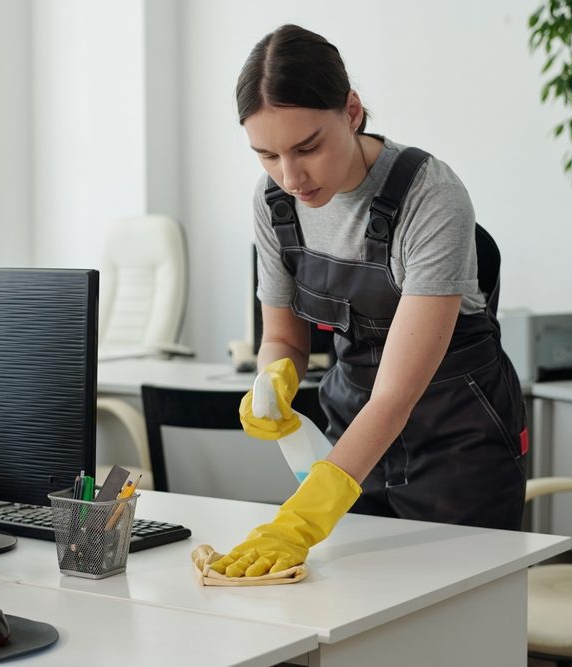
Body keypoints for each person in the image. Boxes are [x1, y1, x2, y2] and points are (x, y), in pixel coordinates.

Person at [210, 24, 527, 579]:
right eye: (266, 154)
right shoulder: (273, 203)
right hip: (351, 438)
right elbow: (283, 334)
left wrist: (302, 521)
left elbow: (396, 395)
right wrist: (273, 378)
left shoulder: (430, 197)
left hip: (459, 448)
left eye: (308, 147)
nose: (290, 176)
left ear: (352, 111)